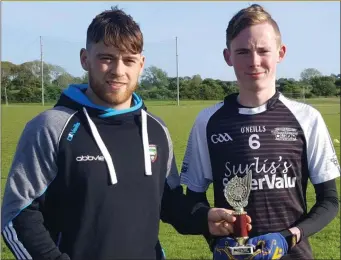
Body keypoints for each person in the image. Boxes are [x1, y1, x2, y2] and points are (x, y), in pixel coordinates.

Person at [1, 6, 251, 260]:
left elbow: (168, 200)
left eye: (129, 60)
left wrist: (202, 218)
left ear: (141, 64)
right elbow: (18, 213)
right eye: (106, 57)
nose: (118, 70)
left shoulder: (156, 130)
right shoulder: (51, 127)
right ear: (85, 59)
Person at [179, 4, 340, 260]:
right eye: (243, 51)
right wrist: (214, 239)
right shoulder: (208, 121)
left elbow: (330, 201)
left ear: (281, 52)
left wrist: (288, 238)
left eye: (263, 50)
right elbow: (195, 199)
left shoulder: (307, 118)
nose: (254, 61)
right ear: (227, 56)